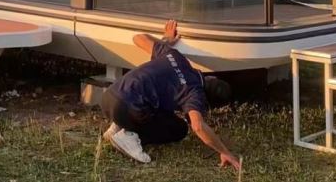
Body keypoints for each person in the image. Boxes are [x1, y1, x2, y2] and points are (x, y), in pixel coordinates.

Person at [101, 19, 241, 171]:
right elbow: (198, 126)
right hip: (128, 108)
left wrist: (166, 40)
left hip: (109, 96)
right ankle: (128, 135)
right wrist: (224, 152)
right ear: (206, 100)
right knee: (179, 129)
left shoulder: (176, 57)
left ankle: (118, 125)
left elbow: (138, 38)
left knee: (161, 105)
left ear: (210, 78)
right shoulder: (194, 92)